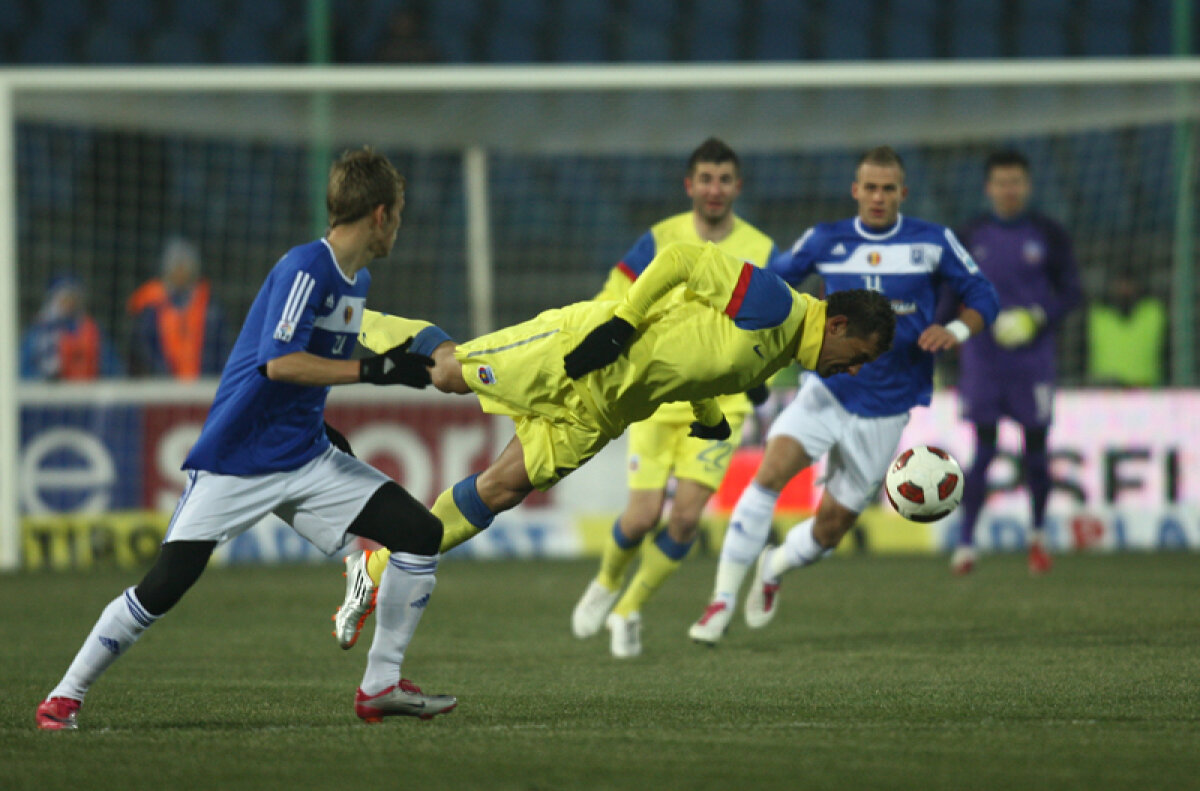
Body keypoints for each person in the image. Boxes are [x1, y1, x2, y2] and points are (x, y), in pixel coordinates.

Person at [36, 147, 456, 731]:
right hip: (239, 460)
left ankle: (380, 682)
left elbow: (306, 377)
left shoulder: (355, 279)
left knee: (420, 533)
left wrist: (341, 409)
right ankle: (63, 696)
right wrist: (373, 372)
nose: (400, 229)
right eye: (401, 216)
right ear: (381, 214)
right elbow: (279, 364)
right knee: (164, 585)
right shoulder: (305, 267)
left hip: (305, 455)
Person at [330, 241, 897, 654]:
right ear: (839, 322)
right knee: (449, 371)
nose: (853, 371)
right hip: (581, 354)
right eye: (861, 356)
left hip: (605, 411)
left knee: (503, 488)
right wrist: (621, 325)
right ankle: (342, 315)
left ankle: (374, 570)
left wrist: (709, 416)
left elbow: (695, 359)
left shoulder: (782, 352)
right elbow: (683, 258)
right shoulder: (776, 303)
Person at [687, 145, 999, 645]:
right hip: (826, 388)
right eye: (870, 187)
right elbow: (776, 281)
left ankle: (774, 567)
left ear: (903, 193)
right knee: (768, 475)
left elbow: (984, 294)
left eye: (888, 188)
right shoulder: (826, 240)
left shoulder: (933, 242)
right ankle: (720, 602)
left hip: (887, 407)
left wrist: (955, 332)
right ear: (855, 191)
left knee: (829, 529)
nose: (878, 197)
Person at [570, 138, 778, 659]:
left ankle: (628, 609)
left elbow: (778, 320)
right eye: (705, 179)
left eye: (724, 179)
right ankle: (605, 582)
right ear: (690, 185)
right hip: (658, 395)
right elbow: (611, 296)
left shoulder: (763, 249)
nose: (714, 189)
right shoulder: (661, 239)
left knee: (685, 519)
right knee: (641, 517)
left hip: (721, 403)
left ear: (738, 186)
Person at [948, 149, 1082, 576]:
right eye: (1001, 183)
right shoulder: (969, 234)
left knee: (1036, 453)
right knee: (983, 451)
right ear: (989, 188)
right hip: (984, 360)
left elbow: (1073, 292)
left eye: (1016, 182)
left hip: (1033, 362)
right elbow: (949, 293)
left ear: (1027, 185)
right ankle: (966, 544)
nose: (1009, 190)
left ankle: (1038, 537)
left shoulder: (1049, 234)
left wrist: (1038, 316)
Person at [127, 236, 230, 378]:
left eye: (185, 265)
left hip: (202, 389)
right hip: (160, 390)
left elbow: (220, 351)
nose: (180, 271)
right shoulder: (151, 309)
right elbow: (143, 352)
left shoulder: (211, 310)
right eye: (176, 265)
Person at [19, 275, 123, 380]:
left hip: (86, 391)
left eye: (74, 298)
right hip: (46, 393)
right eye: (64, 299)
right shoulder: (38, 332)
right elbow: (23, 369)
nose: (70, 304)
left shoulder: (92, 330)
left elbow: (112, 367)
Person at [1086, 271, 1166, 387]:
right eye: (1120, 284)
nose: (1124, 289)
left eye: (1128, 285)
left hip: (1146, 391)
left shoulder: (1154, 313)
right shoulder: (1097, 314)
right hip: (1104, 392)